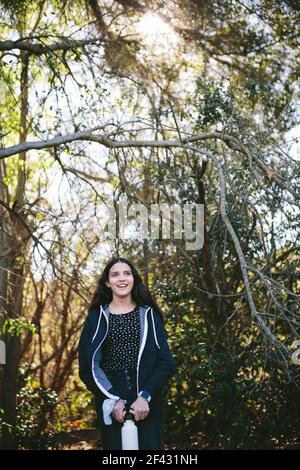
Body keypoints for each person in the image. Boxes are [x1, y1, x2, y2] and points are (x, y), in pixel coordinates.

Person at [78, 257, 177, 450]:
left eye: (127, 273)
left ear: (133, 279)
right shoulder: (96, 318)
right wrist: (113, 399)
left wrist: (145, 396)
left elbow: (166, 363)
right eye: (115, 274)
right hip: (111, 400)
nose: (121, 279)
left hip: (147, 402)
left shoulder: (149, 315)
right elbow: (87, 366)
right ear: (107, 282)